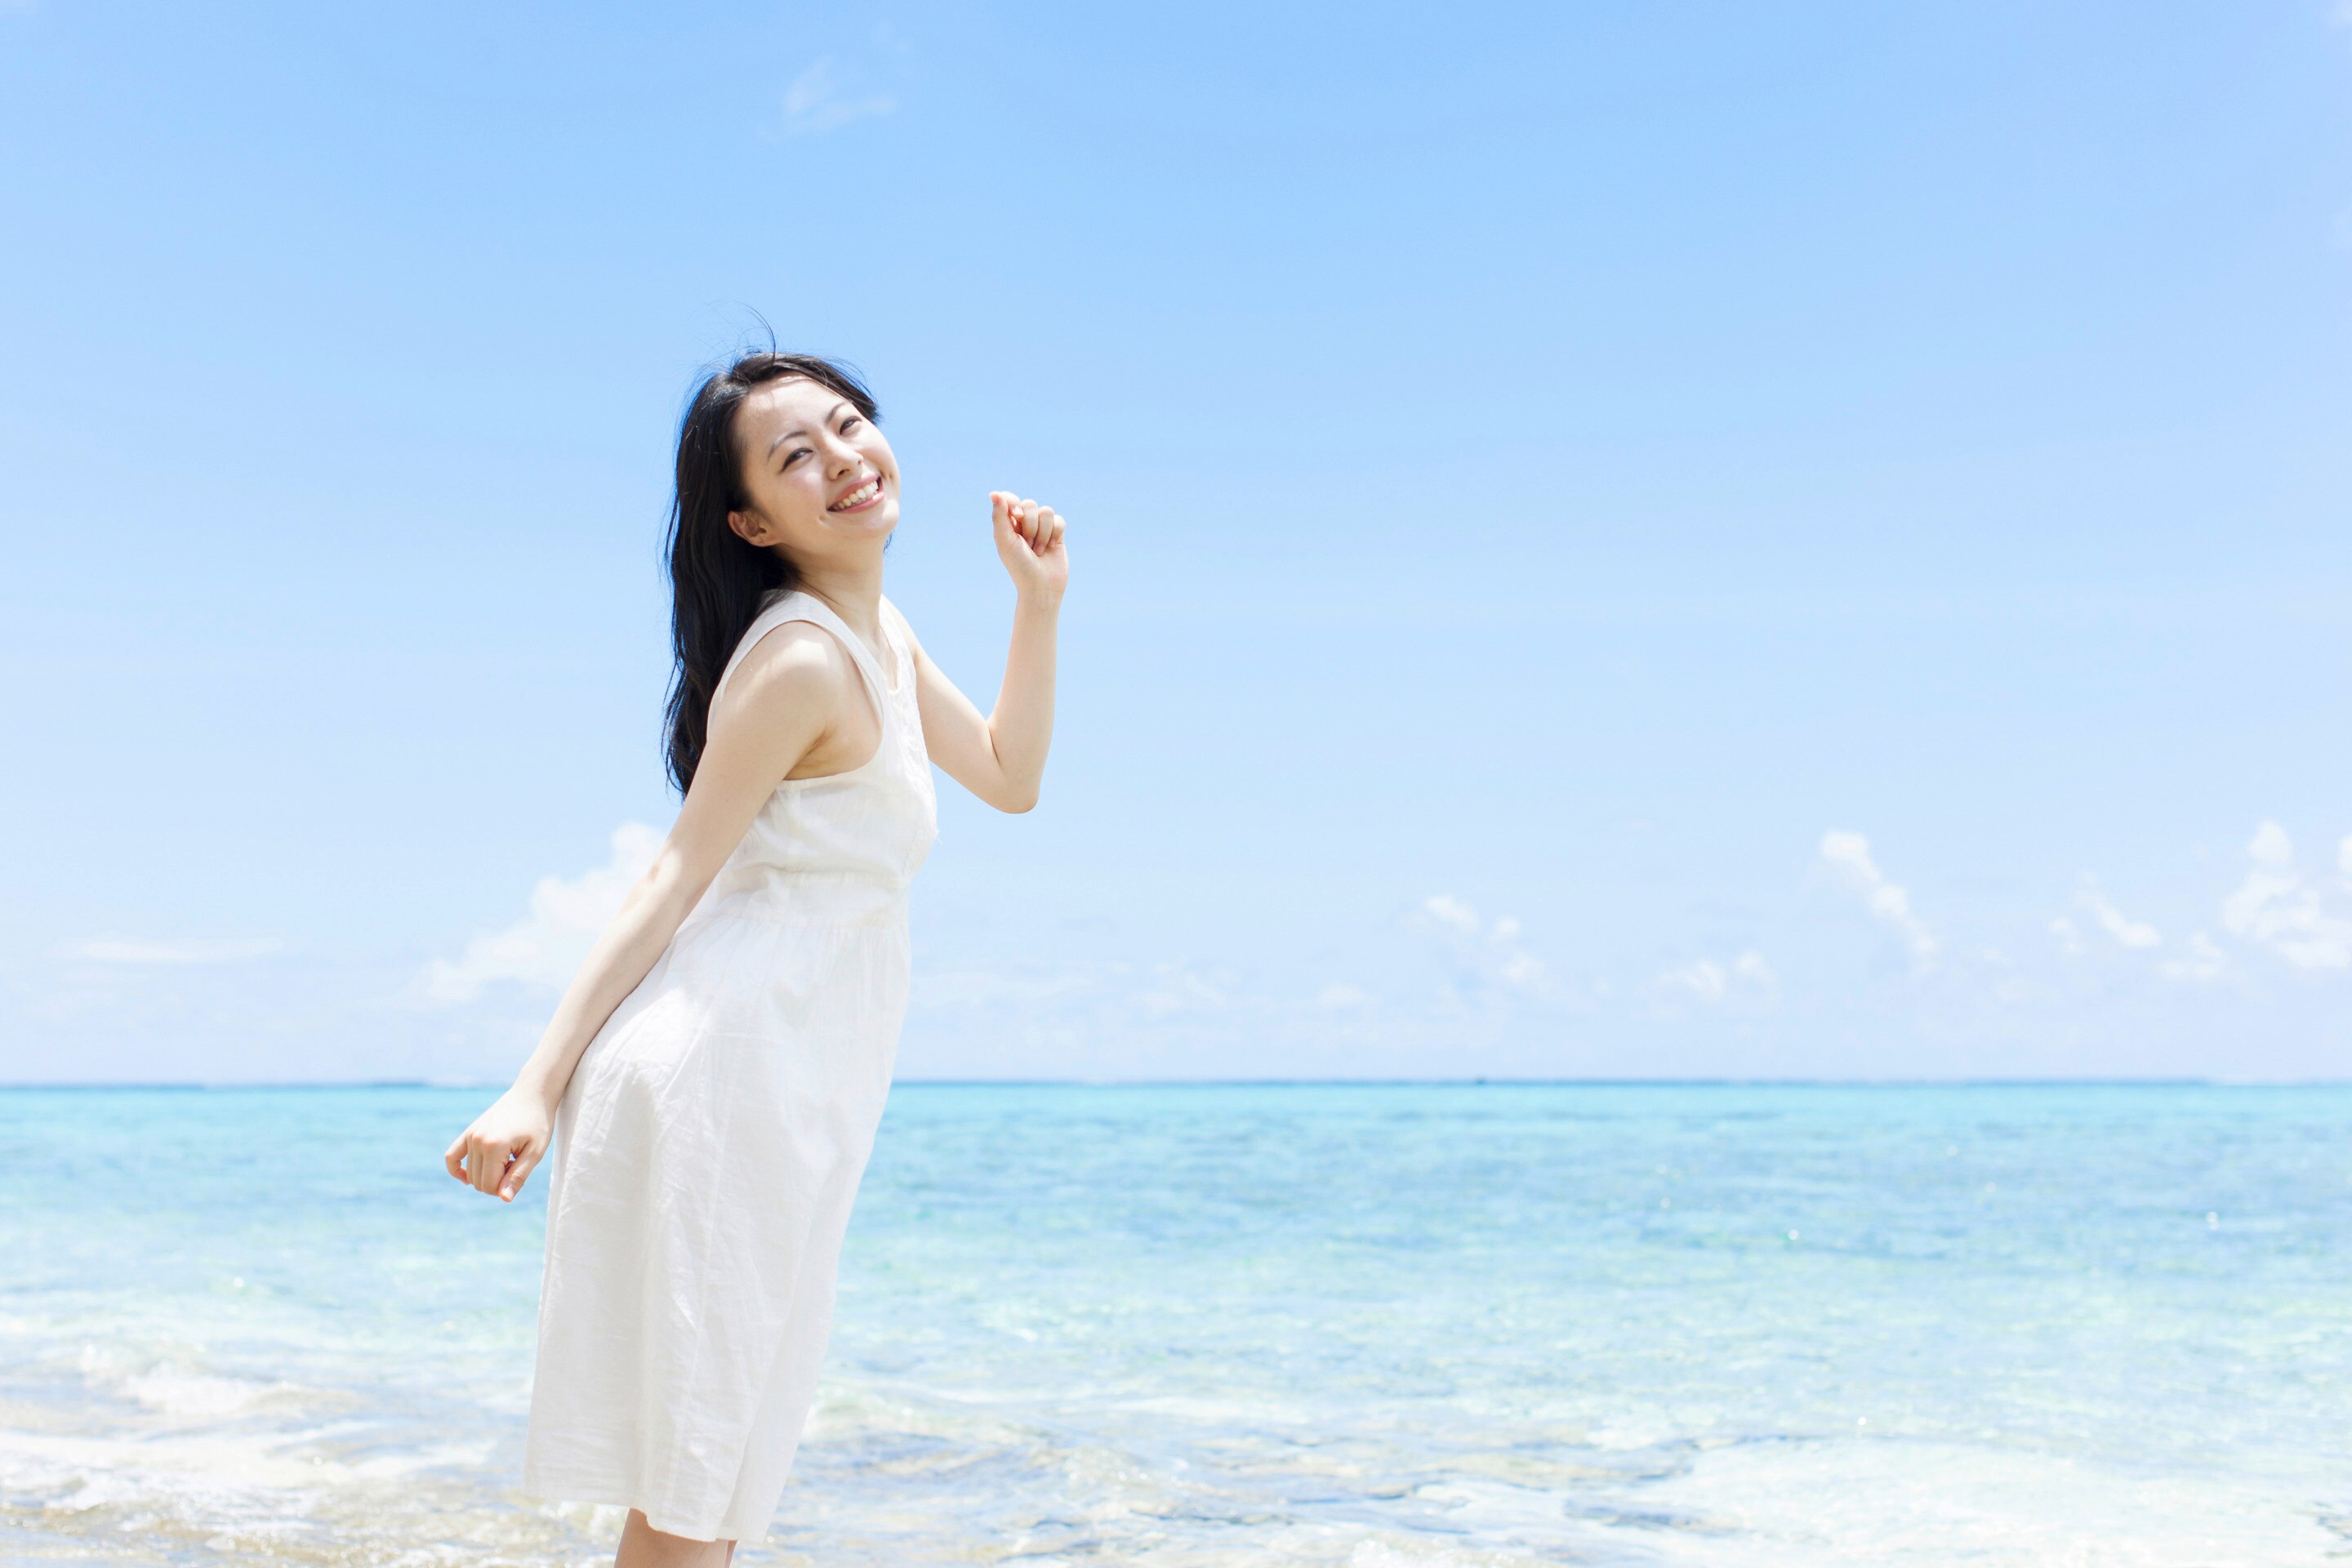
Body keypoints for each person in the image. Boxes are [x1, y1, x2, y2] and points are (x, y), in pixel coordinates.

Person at [443, 351, 1067, 1566]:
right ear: (752, 521)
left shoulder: (871, 629)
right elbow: (672, 878)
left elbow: (1008, 775)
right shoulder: (798, 662)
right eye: (796, 458)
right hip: (723, 1079)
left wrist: (1037, 605)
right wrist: (536, 1083)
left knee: (719, 1477)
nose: (843, 460)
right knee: (697, 1479)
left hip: (790, 1076)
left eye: (848, 427)